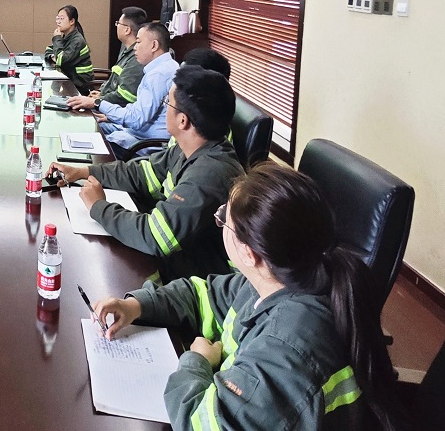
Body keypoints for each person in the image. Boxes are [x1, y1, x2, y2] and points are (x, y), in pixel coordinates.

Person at [92, 164, 402, 431]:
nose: (220, 222)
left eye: (223, 218)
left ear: (249, 253)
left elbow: (204, 425)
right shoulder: (275, 279)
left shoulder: (289, 349)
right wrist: (136, 305)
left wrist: (197, 362)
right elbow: (202, 295)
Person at [48, 65, 242, 281]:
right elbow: (142, 173)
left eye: (167, 103)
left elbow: (156, 236)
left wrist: (99, 207)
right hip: (178, 259)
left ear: (183, 120)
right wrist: (84, 171)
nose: (164, 107)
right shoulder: (190, 147)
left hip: (194, 277)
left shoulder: (209, 175)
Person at [94, 22, 179, 152]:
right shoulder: (168, 66)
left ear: (154, 45)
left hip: (143, 143)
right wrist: (111, 116)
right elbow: (138, 109)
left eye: (138, 42)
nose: (135, 47)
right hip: (135, 133)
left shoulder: (158, 75)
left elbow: (136, 119)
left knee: (93, 140)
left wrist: (98, 103)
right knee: (94, 125)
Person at [67, 6, 147, 110]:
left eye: (118, 23)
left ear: (127, 30)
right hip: (107, 104)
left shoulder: (136, 57)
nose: (116, 26)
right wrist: (101, 92)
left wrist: (99, 99)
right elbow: (114, 79)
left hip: (115, 110)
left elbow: (125, 96)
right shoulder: (126, 50)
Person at [44, 5, 94, 95]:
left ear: (72, 21)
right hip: (68, 80)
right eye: (57, 18)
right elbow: (49, 49)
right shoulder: (66, 36)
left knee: (51, 95)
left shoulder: (77, 40)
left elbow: (61, 60)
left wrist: (57, 38)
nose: (58, 22)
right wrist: (53, 56)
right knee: (49, 93)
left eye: (61, 19)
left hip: (80, 86)